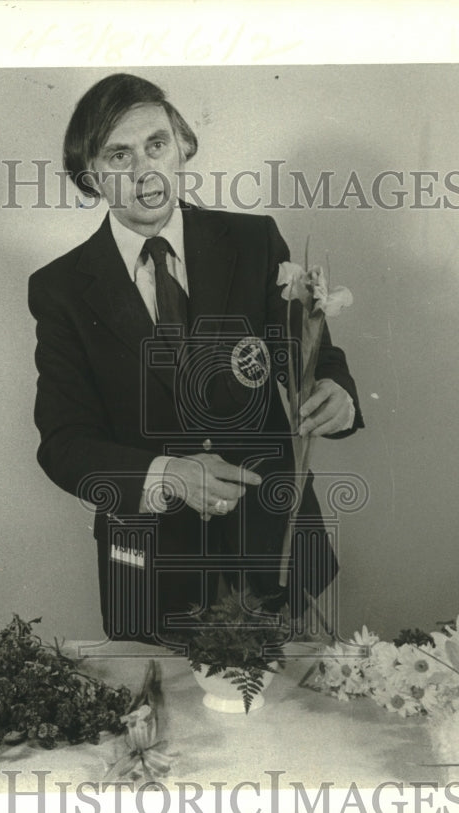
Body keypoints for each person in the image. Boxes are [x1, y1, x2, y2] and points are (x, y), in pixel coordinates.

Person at [29, 73, 363, 646]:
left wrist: (336, 391)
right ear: (90, 178)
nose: (145, 171)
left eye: (156, 144)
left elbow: (310, 357)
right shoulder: (59, 288)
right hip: (154, 576)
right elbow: (63, 444)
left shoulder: (255, 242)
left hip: (277, 556)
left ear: (183, 146)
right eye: (119, 155)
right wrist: (170, 476)